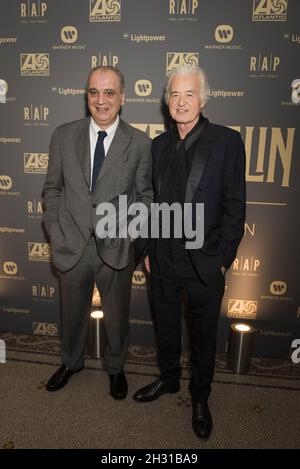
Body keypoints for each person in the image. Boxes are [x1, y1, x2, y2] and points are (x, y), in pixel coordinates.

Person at [133, 65, 246, 439]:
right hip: (162, 259)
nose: (181, 102)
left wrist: (221, 261)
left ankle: (200, 397)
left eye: (189, 95)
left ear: (203, 99)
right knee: (166, 325)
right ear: (167, 102)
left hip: (203, 262)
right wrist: (148, 247)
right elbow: (151, 203)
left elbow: (234, 207)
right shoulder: (159, 145)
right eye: (175, 95)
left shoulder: (227, 142)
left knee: (202, 336)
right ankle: (168, 379)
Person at [43, 66, 153, 399]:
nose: (101, 100)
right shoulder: (63, 135)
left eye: (109, 93)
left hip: (116, 246)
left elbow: (145, 197)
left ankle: (116, 367)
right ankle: (71, 362)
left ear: (123, 97)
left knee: (117, 316)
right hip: (72, 244)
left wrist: (129, 234)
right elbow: (52, 189)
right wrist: (55, 227)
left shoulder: (140, 143)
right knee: (71, 312)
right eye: (94, 92)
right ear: (86, 96)